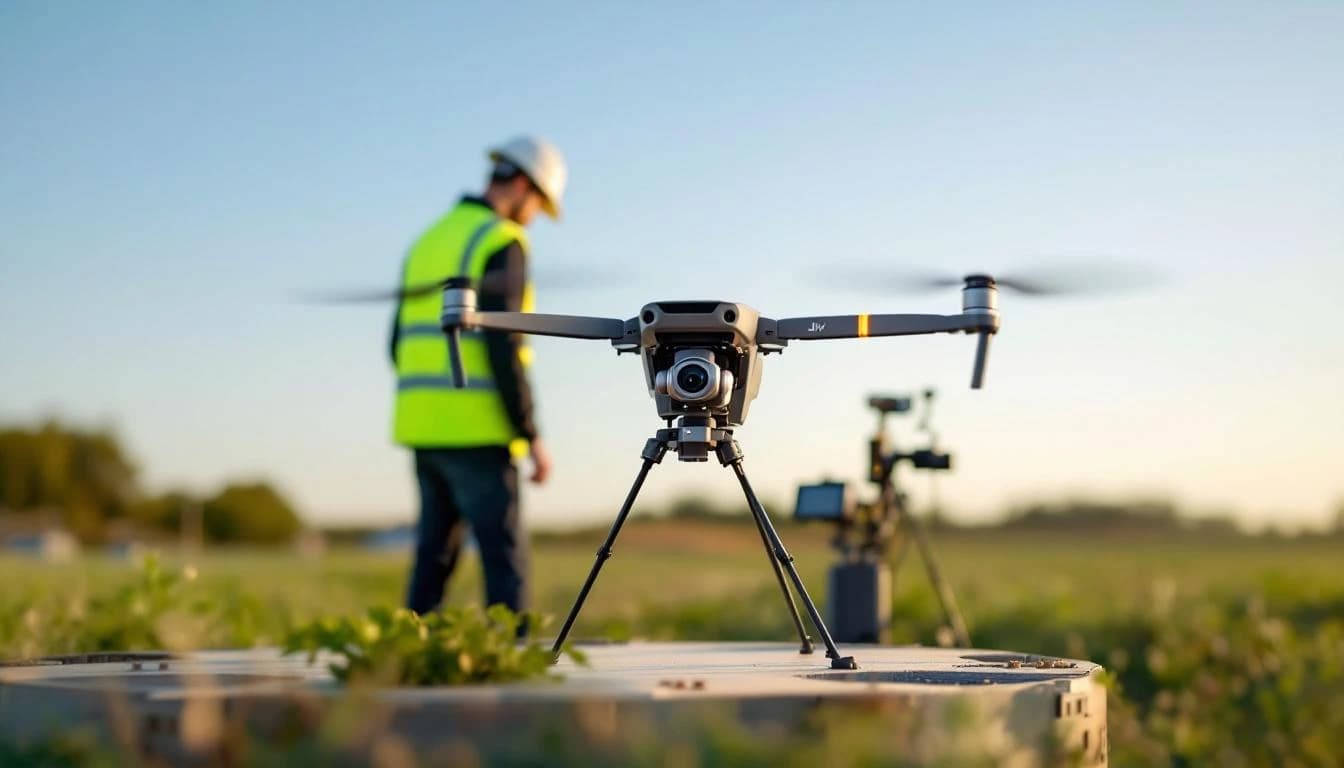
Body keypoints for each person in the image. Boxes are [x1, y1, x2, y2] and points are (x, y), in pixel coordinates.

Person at [390, 136, 566, 617]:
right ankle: (510, 671)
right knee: (503, 560)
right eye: (539, 205)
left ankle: (407, 657)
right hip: (479, 427)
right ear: (525, 187)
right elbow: (503, 345)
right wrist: (530, 432)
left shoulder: (428, 239)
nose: (533, 217)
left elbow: (395, 343)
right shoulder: (500, 241)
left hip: (422, 427)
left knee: (433, 558)